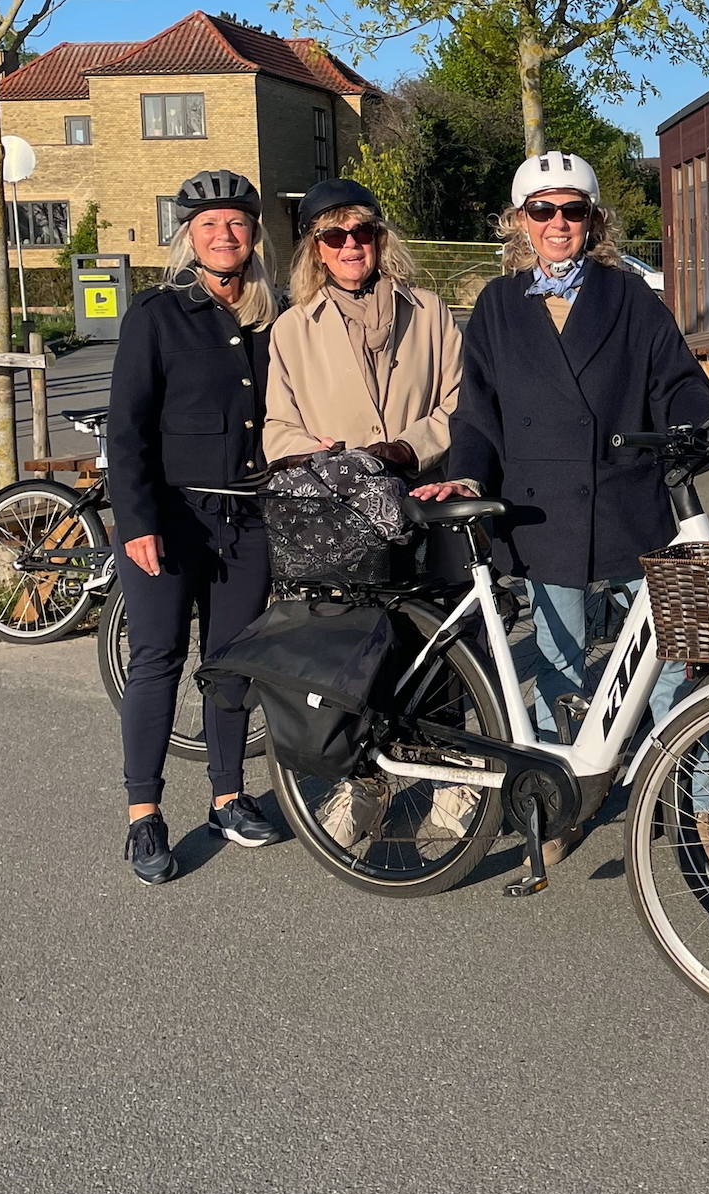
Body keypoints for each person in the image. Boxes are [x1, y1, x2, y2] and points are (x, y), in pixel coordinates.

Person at [418, 150, 709, 841]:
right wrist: (467, 474)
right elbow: (477, 413)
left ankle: (694, 796)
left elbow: (677, 383)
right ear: (521, 222)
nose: (558, 223)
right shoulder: (497, 306)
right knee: (560, 668)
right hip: (542, 509)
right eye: (542, 210)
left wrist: (704, 421)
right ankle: (568, 799)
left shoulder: (631, 297)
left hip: (629, 501)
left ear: (593, 220)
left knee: (668, 664)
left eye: (572, 210)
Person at [107, 169, 284, 884]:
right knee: (157, 659)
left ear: (254, 234)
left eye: (236, 222)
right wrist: (137, 521)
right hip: (171, 517)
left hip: (247, 516)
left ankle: (227, 798)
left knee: (231, 663)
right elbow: (127, 430)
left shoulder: (273, 316)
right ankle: (143, 814)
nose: (224, 234)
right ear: (188, 236)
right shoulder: (156, 314)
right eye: (209, 223)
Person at [260, 179, 463, 478]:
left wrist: (411, 448)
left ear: (379, 240)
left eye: (362, 232)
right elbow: (280, 425)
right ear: (317, 251)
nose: (351, 244)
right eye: (334, 236)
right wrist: (318, 457)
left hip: (420, 491)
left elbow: (461, 399)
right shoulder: (292, 328)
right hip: (337, 497)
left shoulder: (428, 311)